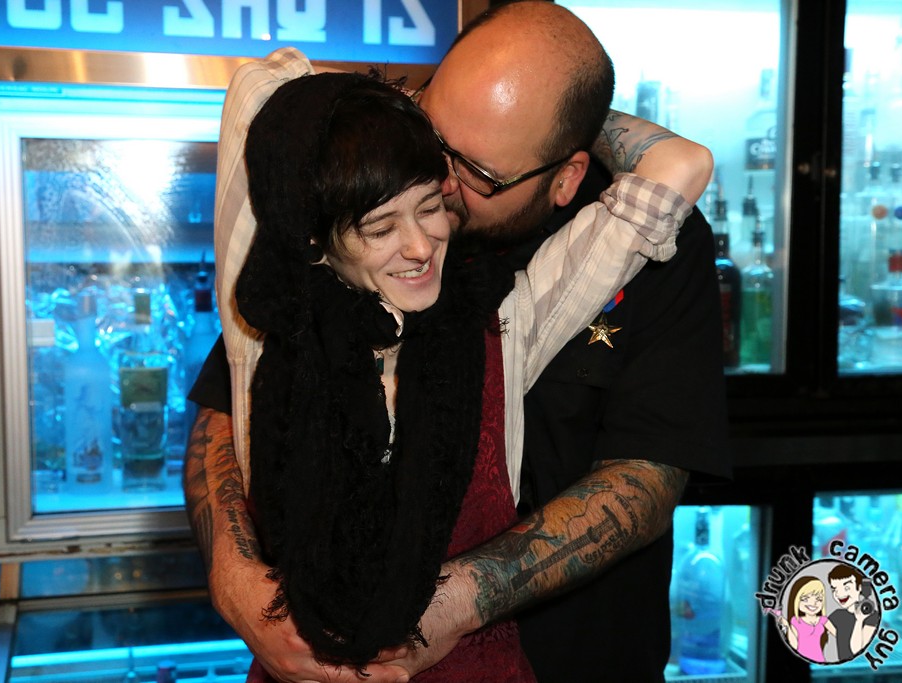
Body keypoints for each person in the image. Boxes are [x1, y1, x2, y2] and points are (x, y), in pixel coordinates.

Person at [185, 3, 730, 682]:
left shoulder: (601, 265)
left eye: (476, 170)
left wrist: (438, 607)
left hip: (568, 659)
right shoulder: (331, 238)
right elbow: (228, 405)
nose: (437, 182)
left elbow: (647, 478)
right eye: (432, 130)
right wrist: (234, 578)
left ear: (565, 175)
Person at [826, 564, 878, 661]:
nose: (839, 594)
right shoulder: (837, 614)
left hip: (860, 665)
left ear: (859, 588)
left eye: (847, 588)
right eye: (835, 589)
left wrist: (859, 620)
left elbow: (856, 650)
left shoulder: (871, 616)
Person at [778, 576, 834, 663]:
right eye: (805, 599)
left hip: (819, 659)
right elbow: (794, 645)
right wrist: (787, 626)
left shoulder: (823, 620)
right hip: (800, 660)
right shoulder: (795, 621)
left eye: (819, 599)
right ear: (796, 600)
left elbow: (839, 635)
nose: (813, 603)